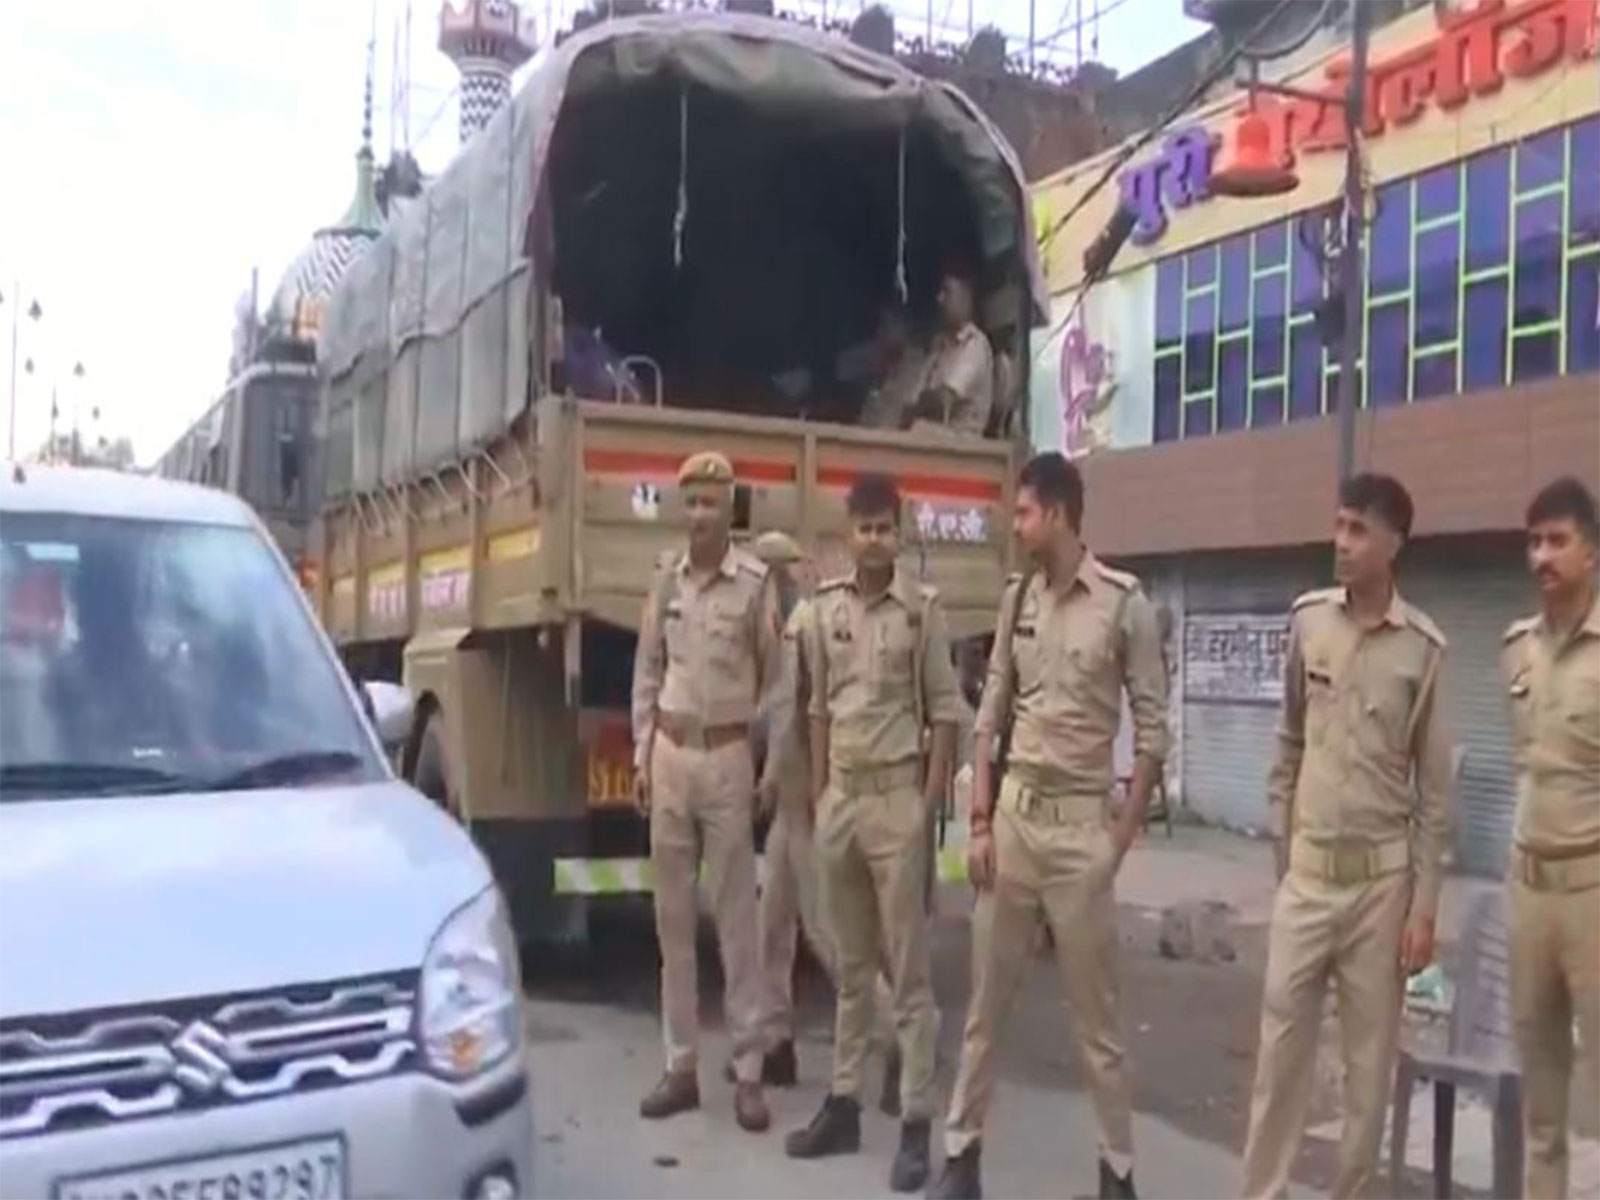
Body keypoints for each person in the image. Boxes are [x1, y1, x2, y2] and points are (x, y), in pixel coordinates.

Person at [930, 451, 1167, 1200]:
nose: (1016, 524)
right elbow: (990, 714)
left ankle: (1117, 1174)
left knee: (1098, 1024)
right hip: (1014, 827)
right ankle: (960, 1159)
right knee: (985, 1009)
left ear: (1059, 514)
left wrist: (1116, 844)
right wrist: (978, 821)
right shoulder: (1017, 601)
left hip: (1079, 838)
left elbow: (1154, 735)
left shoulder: (1125, 606)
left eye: (1026, 512)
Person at [1238, 472, 1454, 1200]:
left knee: (1368, 1075)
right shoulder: (1309, 624)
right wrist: (1283, 849)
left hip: (1379, 893)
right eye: (1338, 526)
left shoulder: (1423, 651)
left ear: (1394, 543)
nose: (1341, 542)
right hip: (1307, 879)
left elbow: (1434, 796)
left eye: (1358, 530)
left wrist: (1424, 906)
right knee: (1279, 1059)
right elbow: (1288, 742)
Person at [784, 473, 961, 1193]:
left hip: (896, 803)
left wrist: (926, 803)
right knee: (852, 970)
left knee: (908, 975)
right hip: (844, 802)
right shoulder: (826, 611)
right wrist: (822, 792)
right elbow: (818, 709)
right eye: (864, 528)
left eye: (885, 528)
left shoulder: (922, 612)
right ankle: (844, 1104)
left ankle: (916, 1121)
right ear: (849, 533)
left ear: (900, 532)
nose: (875, 540)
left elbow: (944, 713)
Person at [630, 451, 782, 1134]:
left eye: (711, 503)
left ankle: (748, 1073)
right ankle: (681, 1067)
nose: (699, 515)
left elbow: (776, 681)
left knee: (737, 926)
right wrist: (642, 752)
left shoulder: (753, 584)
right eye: (690, 502)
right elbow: (647, 671)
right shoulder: (666, 579)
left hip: (725, 758)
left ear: (730, 508)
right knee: (672, 925)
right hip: (670, 754)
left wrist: (762, 760)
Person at [741, 530, 904, 1100]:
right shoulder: (805, 623)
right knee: (772, 928)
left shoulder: (800, 628)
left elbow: (787, 716)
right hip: (794, 802)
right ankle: (775, 1041)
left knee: (828, 935)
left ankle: (898, 1038)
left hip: (804, 801)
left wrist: (773, 779)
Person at [1502, 477, 1600, 1200]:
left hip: (1593, 895)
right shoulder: (1517, 650)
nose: (1542, 556)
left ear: (1591, 553)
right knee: (1541, 1108)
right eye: (1534, 542)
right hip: (1528, 895)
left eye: (1557, 541)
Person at [905, 269, 993, 438]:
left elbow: (943, 400)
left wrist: (921, 404)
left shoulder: (975, 345)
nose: (939, 299)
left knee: (915, 431)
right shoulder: (939, 346)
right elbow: (911, 403)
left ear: (966, 298)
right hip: (934, 436)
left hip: (962, 443)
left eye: (947, 292)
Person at [849, 304, 927, 432]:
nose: (881, 332)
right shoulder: (879, 367)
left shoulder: (918, 367)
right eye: (881, 327)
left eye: (887, 326)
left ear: (904, 327)